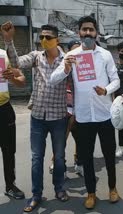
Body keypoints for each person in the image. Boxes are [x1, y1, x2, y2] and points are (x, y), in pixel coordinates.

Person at [51, 15, 120, 209]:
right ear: (79, 33)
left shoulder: (105, 55)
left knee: (108, 155)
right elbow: (53, 79)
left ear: (96, 32)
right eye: (84, 30)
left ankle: (112, 188)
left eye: (91, 29)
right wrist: (65, 67)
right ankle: (91, 193)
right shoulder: (72, 56)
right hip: (83, 116)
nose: (88, 33)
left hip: (104, 114)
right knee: (86, 157)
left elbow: (116, 80)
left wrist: (106, 90)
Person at [3, 22, 69, 212]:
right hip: (38, 117)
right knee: (36, 158)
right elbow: (16, 63)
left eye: (48, 37)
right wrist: (9, 41)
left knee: (59, 158)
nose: (43, 40)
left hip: (58, 117)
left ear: (57, 39)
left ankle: (59, 189)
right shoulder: (35, 57)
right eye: (41, 37)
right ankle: (36, 195)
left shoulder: (67, 60)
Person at [48, 39, 83, 176]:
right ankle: (57, 164)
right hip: (64, 108)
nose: (76, 54)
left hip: (79, 109)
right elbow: (53, 80)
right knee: (61, 139)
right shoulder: (63, 65)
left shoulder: (85, 65)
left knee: (81, 139)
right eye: (73, 50)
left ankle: (79, 162)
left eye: (78, 50)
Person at [0, 43, 25, 200]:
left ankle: (10, 185)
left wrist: (13, 78)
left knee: (9, 151)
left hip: (4, 109)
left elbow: (21, 79)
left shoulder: (3, 55)